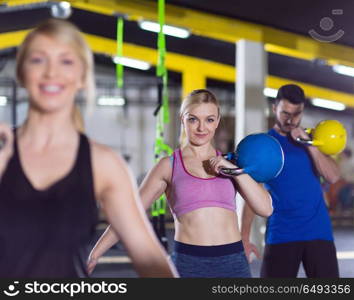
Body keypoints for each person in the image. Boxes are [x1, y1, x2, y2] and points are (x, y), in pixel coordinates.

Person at [0, 19, 177, 278]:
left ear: (82, 77)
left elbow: (152, 261)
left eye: (66, 61)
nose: (52, 72)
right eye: (38, 60)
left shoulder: (103, 164)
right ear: (22, 73)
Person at [87, 89, 273, 278]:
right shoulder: (168, 166)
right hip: (189, 263)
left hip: (232, 262)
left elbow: (265, 208)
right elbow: (129, 213)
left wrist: (231, 169)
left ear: (217, 122)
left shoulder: (233, 163)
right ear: (182, 119)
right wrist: (96, 252)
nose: (201, 128)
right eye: (193, 119)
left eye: (209, 120)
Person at [241, 84, 340, 278]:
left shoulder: (313, 140)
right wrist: (244, 236)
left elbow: (333, 175)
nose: (291, 119)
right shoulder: (266, 145)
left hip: (318, 231)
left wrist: (309, 144)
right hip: (282, 232)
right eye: (285, 112)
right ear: (274, 109)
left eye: (296, 114)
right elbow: (252, 194)